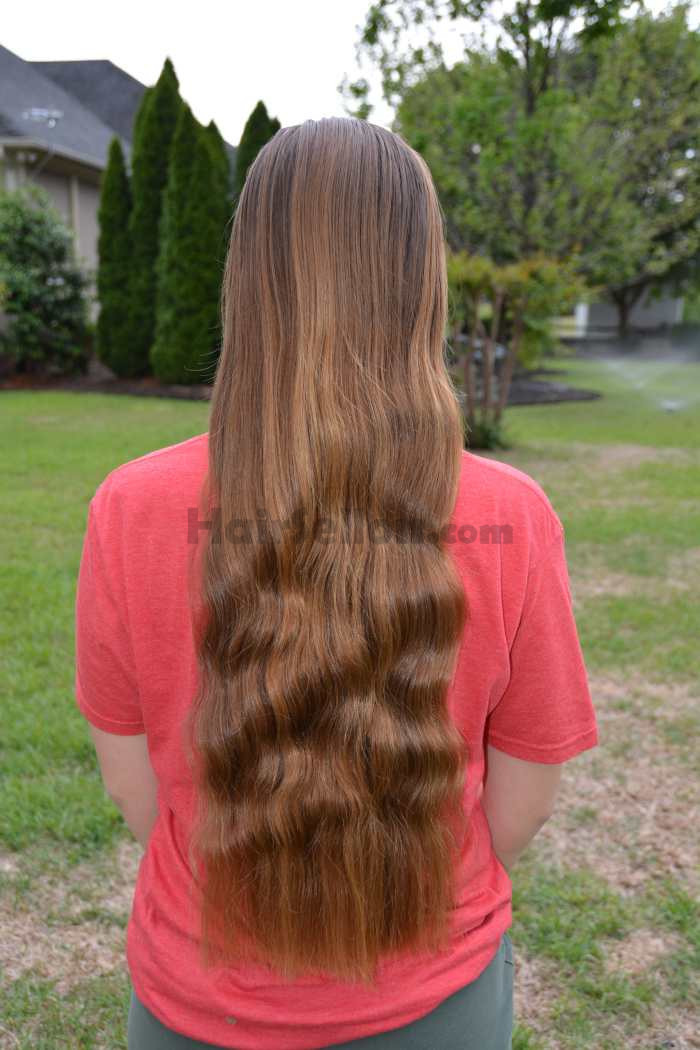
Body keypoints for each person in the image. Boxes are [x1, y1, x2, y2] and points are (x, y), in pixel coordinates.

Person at [74, 116, 599, 1050]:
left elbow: (133, 788)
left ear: (249, 278)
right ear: (420, 281)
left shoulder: (131, 506)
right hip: (436, 1000)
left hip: (196, 1000)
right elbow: (525, 797)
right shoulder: (510, 514)